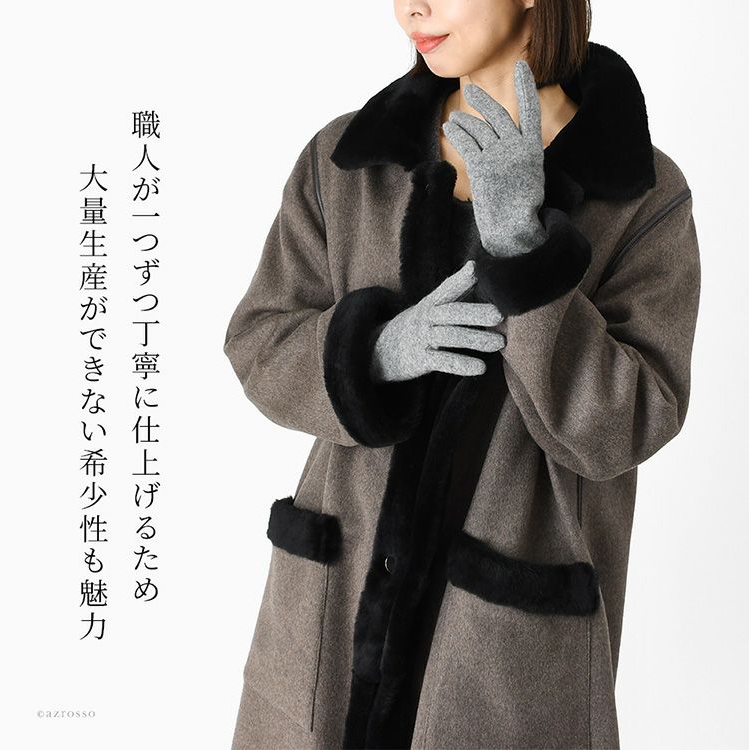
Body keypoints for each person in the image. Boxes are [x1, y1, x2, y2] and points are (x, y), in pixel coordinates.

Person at [223, 1, 701, 747]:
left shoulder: (641, 196)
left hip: (503, 654)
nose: (411, 8)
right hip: (330, 627)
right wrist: (373, 352)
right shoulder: (347, 162)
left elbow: (631, 422)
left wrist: (525, 250)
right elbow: (258, 340)